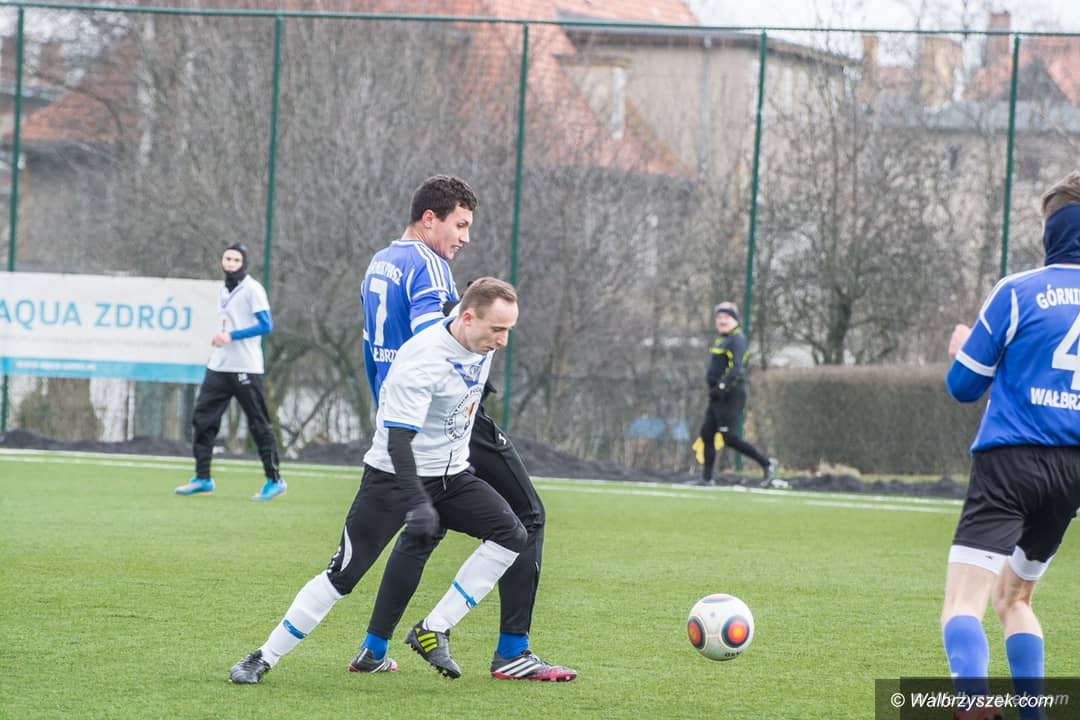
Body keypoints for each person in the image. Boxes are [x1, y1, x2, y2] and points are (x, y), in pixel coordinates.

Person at [229, 278, 528, 684]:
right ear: (469, 318)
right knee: (343, 576)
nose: (504, 341)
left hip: (452, 475)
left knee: (511, 534)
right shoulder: (422, 360)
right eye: (498, 329)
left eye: (508, 330)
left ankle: (434, 628)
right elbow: (398, 441)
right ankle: (263, 656)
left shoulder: (477, 339)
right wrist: (418, 502)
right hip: (392, 478)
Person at [355, 175, 575, 681]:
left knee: (426, 524)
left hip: (403, 411)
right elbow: (438, 342)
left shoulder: (382, 261)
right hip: (447, 414)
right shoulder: (430, 266)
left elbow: (378, 347)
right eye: (460, 224)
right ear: (430, 218)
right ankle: (512, 652)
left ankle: (373, 647)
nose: (465, 237)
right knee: (528, 517)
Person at [941, 170, 1080, 720]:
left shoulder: (1019, 290)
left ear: (1054, 231)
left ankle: (974, 704)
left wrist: (963, 351)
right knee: (1015, 598)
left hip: (1009, 462)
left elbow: (963, 386)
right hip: (1072, 474)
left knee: (964, 602)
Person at [174, 243, 286, 501]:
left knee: (259, 423)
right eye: (228, 258)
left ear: (244, 263)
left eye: (236, 260)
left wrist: (231, 336)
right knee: (203, 419)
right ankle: (203, 477)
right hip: (219, 366)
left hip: (246, 367)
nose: (231, 263)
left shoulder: (253, 289)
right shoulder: (222, 289)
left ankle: (275, 480)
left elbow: (266, 325)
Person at [696, 301, 781, 488]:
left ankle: (767, 463)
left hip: (730, 394)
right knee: (707, 433)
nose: (722, 321)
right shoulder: (722, 339)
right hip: (717, 395)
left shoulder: (737, 339)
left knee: (728, 437)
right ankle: (707, 479)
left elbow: (736, 368)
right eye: (719, 317)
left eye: (726, 317)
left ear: (734, 320)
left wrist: (722, 386)